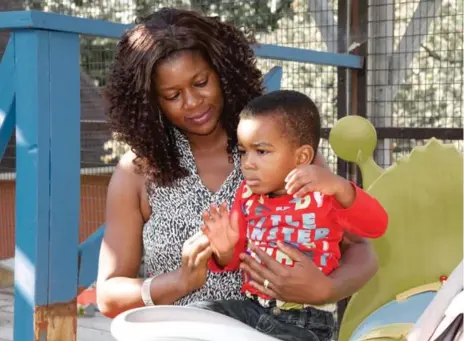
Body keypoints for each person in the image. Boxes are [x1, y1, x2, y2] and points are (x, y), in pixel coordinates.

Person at [96, 7, 381, 321]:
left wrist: (326, 289)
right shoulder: (137, 172)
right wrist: (179, 281)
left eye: (201, 82)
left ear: (223, 74)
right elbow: (108, 296)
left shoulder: (282, 152)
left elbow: (362, 249)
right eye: (173, 94)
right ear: (151, 101)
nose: (192, 102)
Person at [195, 90, 389, 341]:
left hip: (304, 321)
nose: (247, 163)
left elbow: (376, 226)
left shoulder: (324, 193)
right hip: (251, 308)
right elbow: (237, 260)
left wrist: (341, 188)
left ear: (302, 157)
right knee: (195, 315)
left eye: (261, 151)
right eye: (243, 152)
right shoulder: (247, 196)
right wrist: (224, 251)